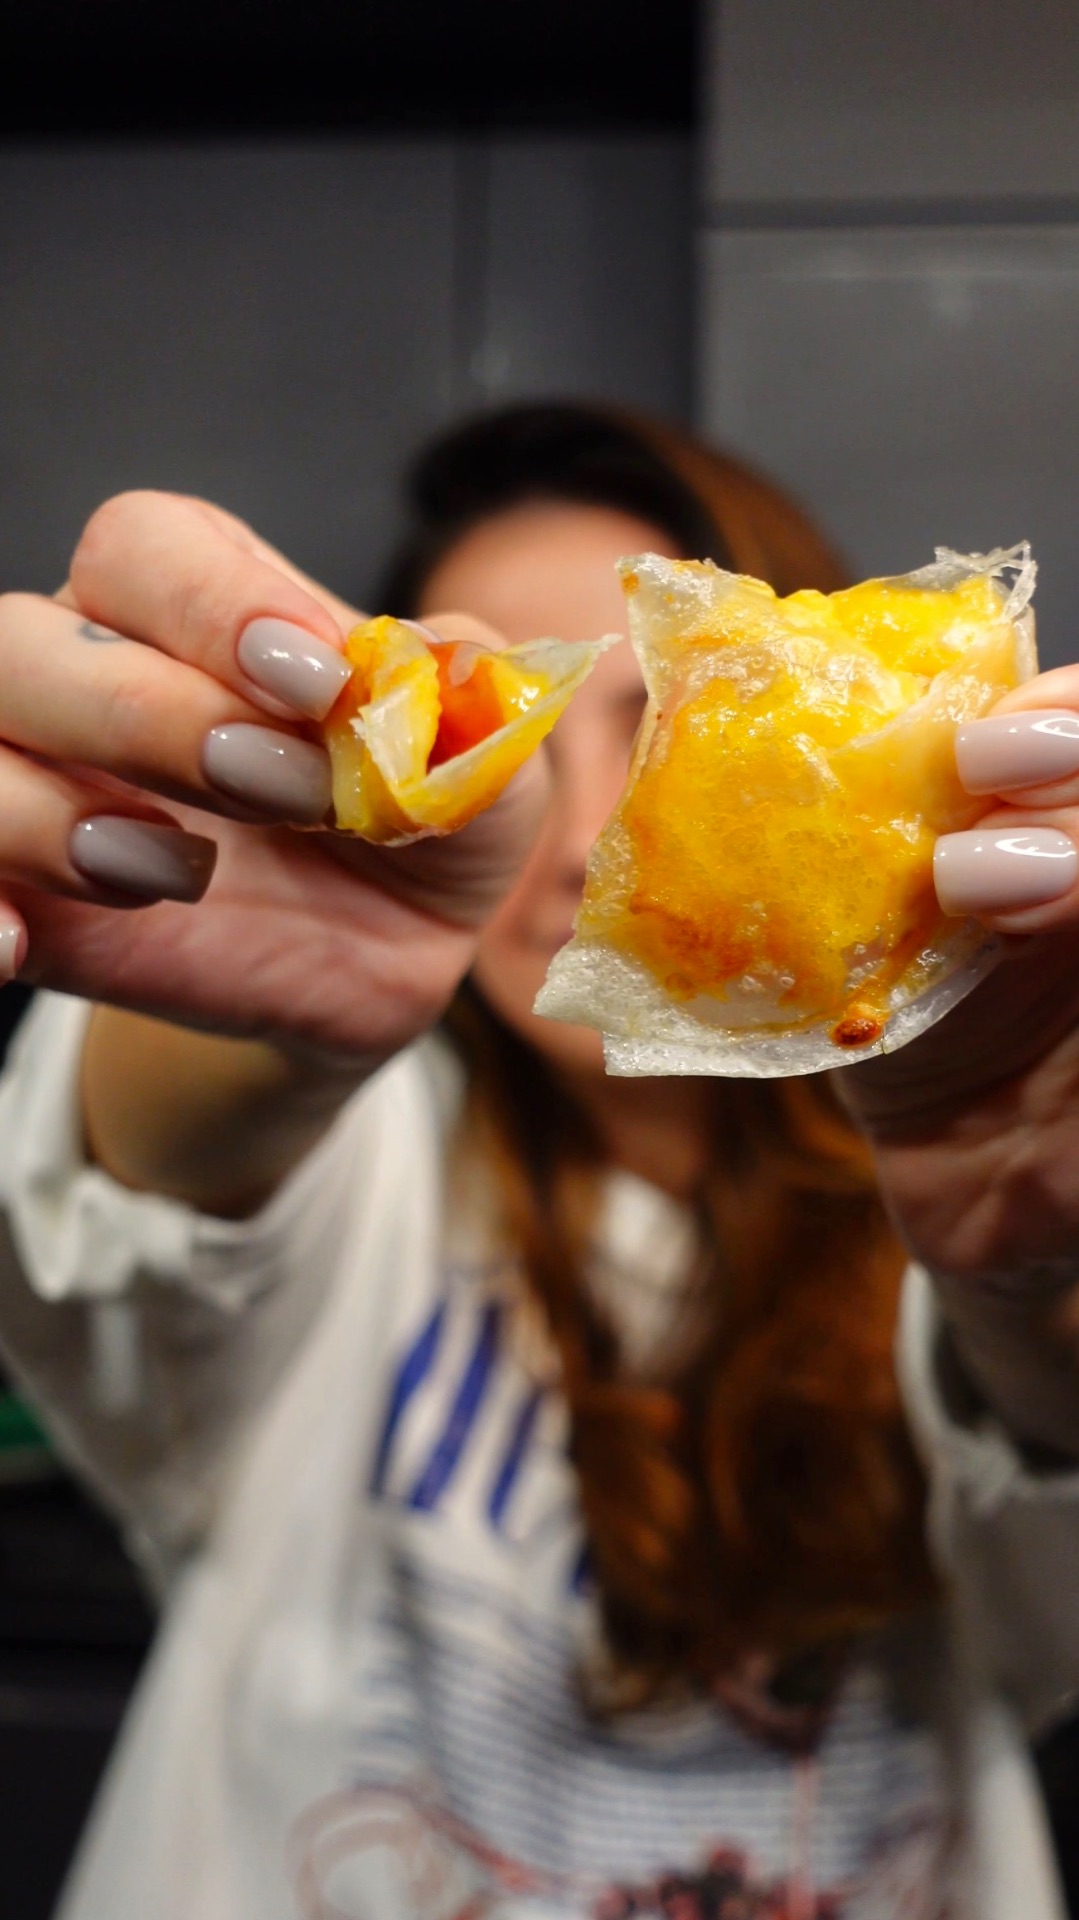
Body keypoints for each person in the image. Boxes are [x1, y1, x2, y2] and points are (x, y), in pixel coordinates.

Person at [0, 402, 1077, 1920]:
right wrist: (254, 996)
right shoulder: (366, 1163)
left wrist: (1030, 1262)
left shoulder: (944, 1197)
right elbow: (149, 1198)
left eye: (664, 726)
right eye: (500, 745)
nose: (576, 845)